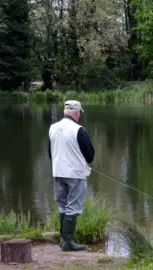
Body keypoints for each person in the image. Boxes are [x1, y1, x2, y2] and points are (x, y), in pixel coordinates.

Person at [48, 100, 95, 251]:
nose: (79, 115)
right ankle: (68, 242)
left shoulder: (53, 128)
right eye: (79, 112)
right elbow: (90, 155)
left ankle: (63, 240)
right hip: (75, 174)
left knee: (63, 205)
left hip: (58, 172)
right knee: (73, 207)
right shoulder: (78, 129)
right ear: (76, 112)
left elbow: (50, 153)